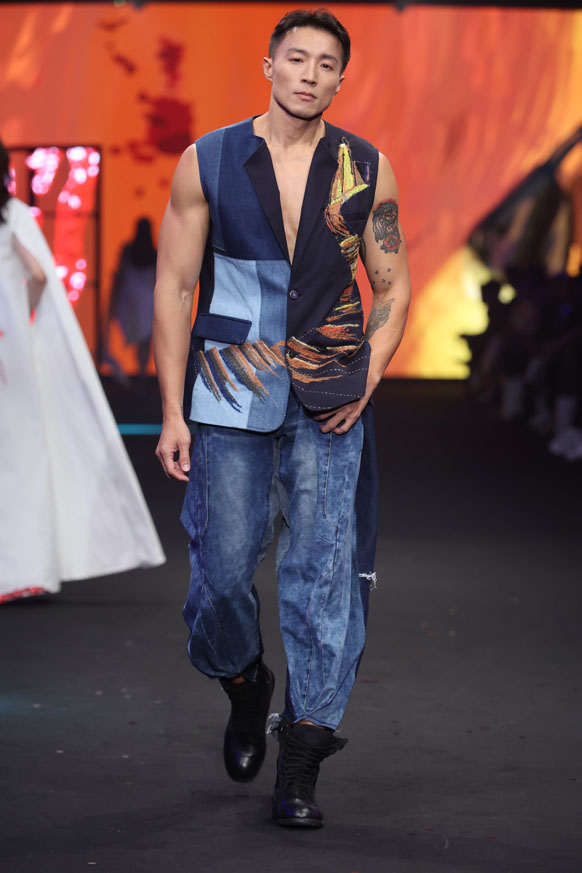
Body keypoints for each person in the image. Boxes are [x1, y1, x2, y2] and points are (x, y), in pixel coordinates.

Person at [153, 9, 411, 828]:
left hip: (332, 392)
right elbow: (174, 286)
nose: (309, 74)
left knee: (323, 578)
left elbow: (393, 284)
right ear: (269, 66)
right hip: (231, 385)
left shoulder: (366, 167)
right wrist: (171, 410)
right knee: (222, 574)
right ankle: (243, 678)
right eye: (296, 58)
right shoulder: (209, 159)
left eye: (326, 64)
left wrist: (367, 379)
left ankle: (302, 759)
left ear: (341, 79)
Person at [0, 140, 165, 603]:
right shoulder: (14, 215)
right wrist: (21, 316)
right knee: (22, 456)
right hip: (11, 347)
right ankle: (27, 569)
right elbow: (38, 275)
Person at [107, 217, 157, 382]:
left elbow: (120, 275)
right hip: (147, 301)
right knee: (145, 339)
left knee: (136, 336)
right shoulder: (154, 254)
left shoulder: (128, 251)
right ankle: (141, 372)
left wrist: (114, 298)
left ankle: (136, 373)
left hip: (131, 300)